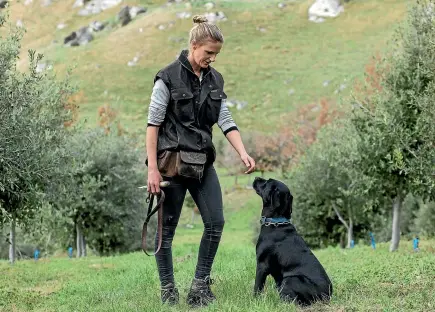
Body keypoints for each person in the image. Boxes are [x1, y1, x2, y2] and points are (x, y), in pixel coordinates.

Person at [146, 15, 256, 307]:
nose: (212, 59)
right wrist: (153, 170)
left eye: (216, 54)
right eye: (209, 53)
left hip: (202, 163)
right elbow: (153, 125)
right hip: (171, 165)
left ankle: (199, 288)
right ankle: (168, 293)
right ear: (194, 46)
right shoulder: (167, 77)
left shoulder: (215, 80)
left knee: (216, 222)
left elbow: (225, 119)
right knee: (165, 233)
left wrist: (242, 151)